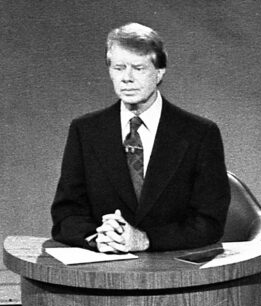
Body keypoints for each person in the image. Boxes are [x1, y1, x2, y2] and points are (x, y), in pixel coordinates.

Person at [51, 23, 229, 253]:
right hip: (104, 270)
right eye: (118, 67)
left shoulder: (200, 133)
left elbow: (209, 223)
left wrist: (146, 240)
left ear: (159, 72)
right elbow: (66, 214)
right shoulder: (85, 130)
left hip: (174, 272)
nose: (127, 78)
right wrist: (97, 238)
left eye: (138, 68)